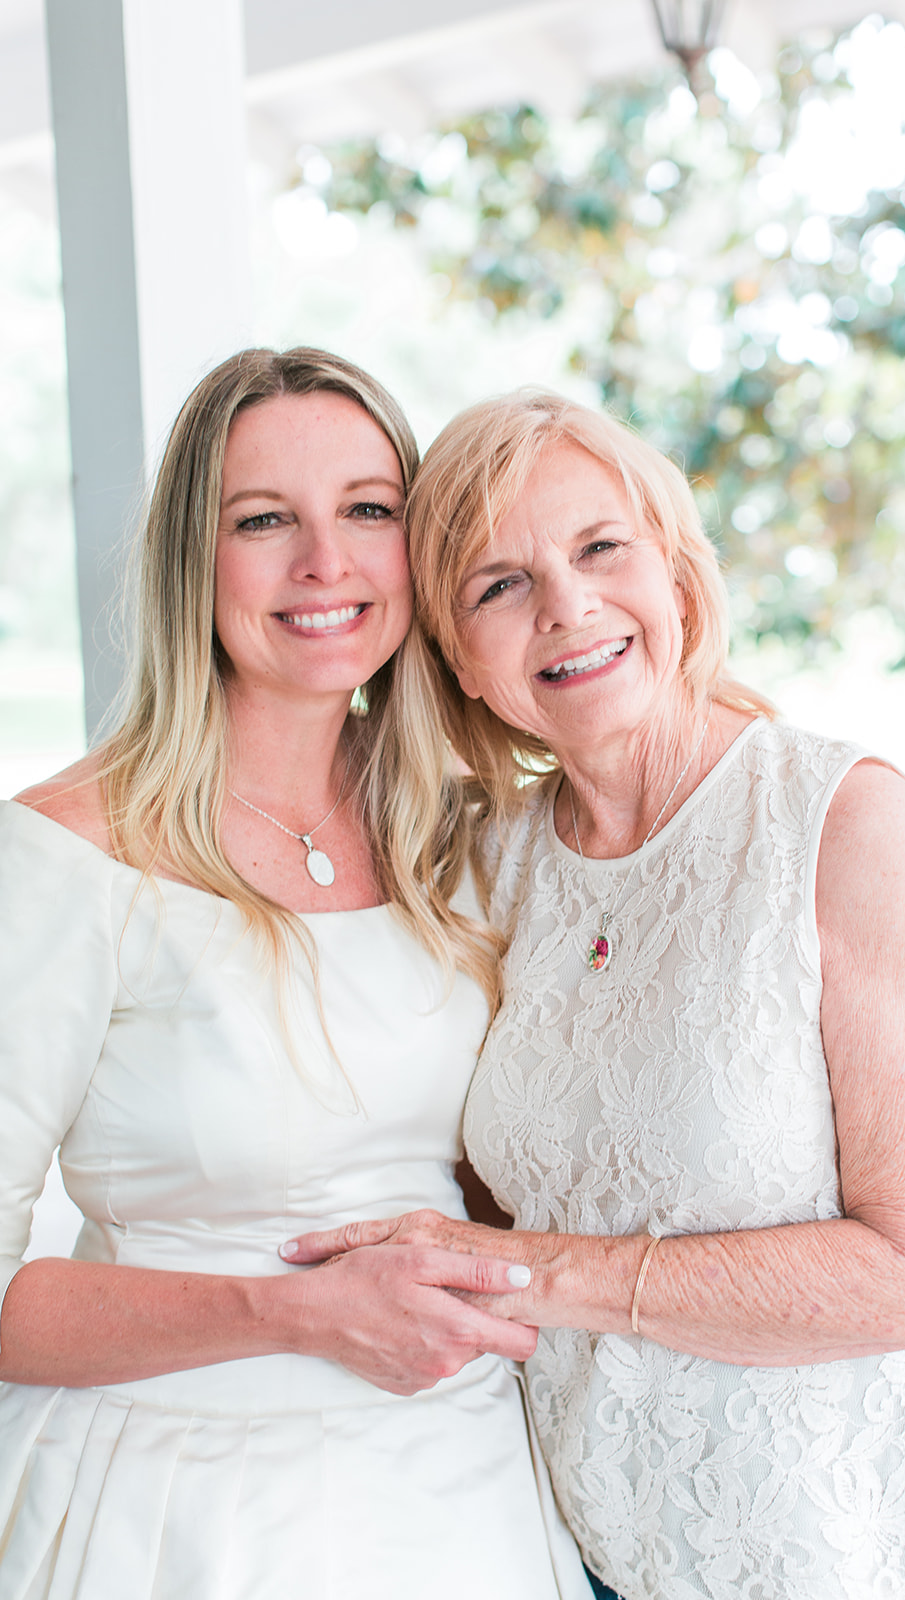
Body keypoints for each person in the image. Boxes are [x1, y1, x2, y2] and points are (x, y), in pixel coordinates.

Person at [287, 388, 905, 1600]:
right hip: (587, 1550)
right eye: (497, 585)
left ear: (676, 577)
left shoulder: (838, 820)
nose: (565, 607)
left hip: (849, 1559)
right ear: (461, 666)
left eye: (599, 548)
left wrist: (520, 1270)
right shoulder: (493, 864)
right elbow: (494, 1174)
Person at [0, 351, 590, 1600]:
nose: (324, 562)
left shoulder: (466, 830)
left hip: (465, 1487)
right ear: (189, 561)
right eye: (264, 520)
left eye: (367, 509)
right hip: (176, 1506)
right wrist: (298, 1314)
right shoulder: (65, 855)